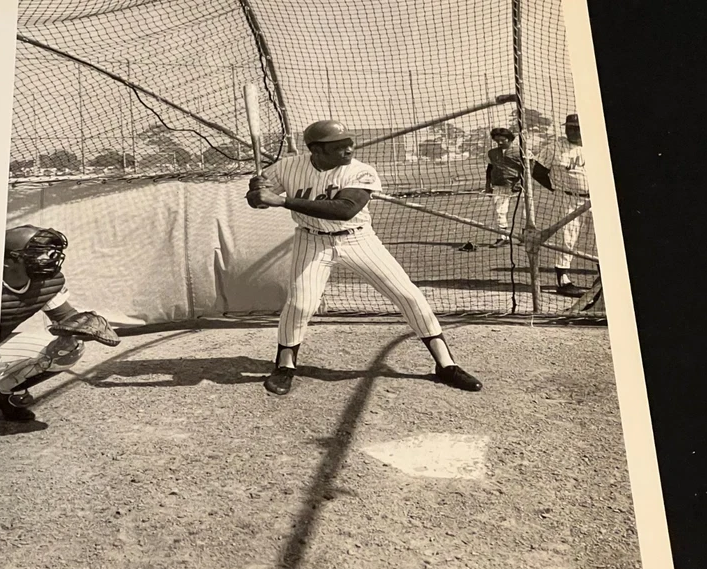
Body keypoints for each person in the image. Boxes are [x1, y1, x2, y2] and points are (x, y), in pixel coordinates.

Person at [244, 119, 483, 397]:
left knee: (409, 296)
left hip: (358, 239)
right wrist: (257, 191)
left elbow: (345, 209)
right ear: (316, 151)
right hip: (311, 241)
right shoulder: (288, 166)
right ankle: (284, 367)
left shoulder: (362, 171)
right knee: (300, 305)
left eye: (350, 144)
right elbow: (257, 200)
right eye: (340, 146)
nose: (349, 150)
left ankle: (446, 365)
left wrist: (282, 201)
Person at [0, 225, 93, 422]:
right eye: (37, 254)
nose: (48, 259)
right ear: (9, 259)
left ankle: (1, 394)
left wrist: (86, 326)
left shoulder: (48, 282)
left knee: (70, 347)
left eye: (50, 253)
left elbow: (65, 317)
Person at [531, 113, 591, 298]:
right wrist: (556, 187)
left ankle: (602, 278)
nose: (572, 130)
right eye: (569, 127)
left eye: (577, 127)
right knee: (567, 237)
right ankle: (563, 280)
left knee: (600, 239)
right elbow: (537, 172)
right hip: (569, 198)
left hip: (598, 198)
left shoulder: (597, 145)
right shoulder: (555, 147)